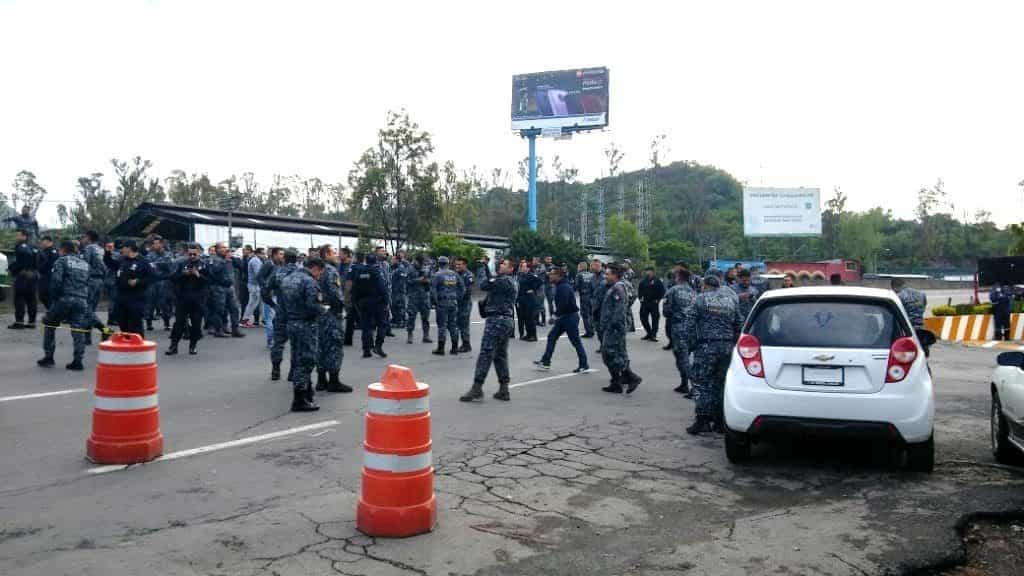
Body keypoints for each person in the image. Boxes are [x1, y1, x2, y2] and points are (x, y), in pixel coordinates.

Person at [684, 274, 744, 435]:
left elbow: (689, 324)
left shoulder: (700, 299)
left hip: (706, 346)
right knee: (721, 384)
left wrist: (691, 344)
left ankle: (703, 419)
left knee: (702, 383)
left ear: (704, 285)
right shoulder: (731, 301)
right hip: (726, 346)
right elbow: (739, 324)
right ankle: (719, 421)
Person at [460, 257, 517, 402]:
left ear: (511, 269)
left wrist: (481, 269)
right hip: (505, 320)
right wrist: (486, 268)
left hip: (497, 321)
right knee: (500, 355)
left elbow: (484, 285)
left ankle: (477, 387)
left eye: (505, 264)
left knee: (486, 352)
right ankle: (504, 388)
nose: (501, 265)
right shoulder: (509, 281)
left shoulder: (504, 280)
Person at [38, 241, 90, 370]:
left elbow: (56, 281)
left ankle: (49, 357)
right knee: (78, 329)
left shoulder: (62, 261)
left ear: (63, 250)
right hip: (82, 300)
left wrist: (55, 298)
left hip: (65, 298)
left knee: (49, 323)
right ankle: (78, 361)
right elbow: (87, 282)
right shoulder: (85, 264)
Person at [280, 257, 324, 412]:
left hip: (291, 322)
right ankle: (299, 399)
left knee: (298, 357)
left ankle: (307, 393)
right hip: (306, 324)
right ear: (316, 268)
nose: (319, 276)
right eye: (320, 273)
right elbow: (312, 306)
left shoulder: (288, 278)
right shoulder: (309, 282)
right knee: (306, 361)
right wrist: (323, 309)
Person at [534, 267, 589, 373]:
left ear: (558, 276)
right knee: (552, 336)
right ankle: (546, 362)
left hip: (570, 317)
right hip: (564, 317)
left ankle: (584, 364)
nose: (549, 276)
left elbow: (563, 303)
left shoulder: (563, 287)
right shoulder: (560, 285)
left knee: (575, 341)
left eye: (551, 274)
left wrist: (554, 316)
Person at [599, 264, 642, 394]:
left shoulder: (618, 287)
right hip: (611, 326)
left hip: (615, 327)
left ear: (615, 275)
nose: (605, 276)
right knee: (613, 354)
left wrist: (614, 325)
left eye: (608, 274)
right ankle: (616, 382)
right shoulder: (615, 286)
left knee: (610, 353)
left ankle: (631, 377)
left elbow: (619, 309)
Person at [314, 244, 351, 393]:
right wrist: (342, 308)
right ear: (327, 254)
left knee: (321, 347)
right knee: (334, 346)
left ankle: (321, 380)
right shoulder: (330, 270)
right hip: (331, 314)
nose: (336, 255)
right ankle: (334, 381)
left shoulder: (316, 269)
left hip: (319, 312)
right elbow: (335, 294)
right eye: (334, 252)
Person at [166, 243, 208, 356]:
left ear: (199, 253)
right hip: (183, 298)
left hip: (198, 299)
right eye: (190, 254)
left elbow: (209, 281)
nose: (192, 256)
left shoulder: (204, 265)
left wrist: (198, 275)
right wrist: (183, 274)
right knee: (179, 322)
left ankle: (193, 346)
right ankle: (173, 346)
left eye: (194, 254)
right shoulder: (181, 264)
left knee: (196, 323)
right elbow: (172, 278)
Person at [664, 267, 699, 396]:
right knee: (686, 356)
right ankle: (684, 384)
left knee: (682, 358)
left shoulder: (673, 290)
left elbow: (666, 311)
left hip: (679, 328)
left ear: (678, 276)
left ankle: (694, 386)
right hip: (692, 328)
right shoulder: (694, 292)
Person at [266, 249, 298, 381]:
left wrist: (273, 305)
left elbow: (265, 290)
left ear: (284, 258)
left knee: (278, 343)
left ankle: (275, 370)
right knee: (296, 344)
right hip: (296, 314)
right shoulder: (300, 273)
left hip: (281, 311)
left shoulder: (277, 272)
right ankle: (292, 372)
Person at [113, 240, 153, 337]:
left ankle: (138, 348)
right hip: (121, 296)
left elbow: (151, 277)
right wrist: (107, 253)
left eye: (123, 247)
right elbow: (110, 264)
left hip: (136, 297)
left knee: (135, 324)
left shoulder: (143, 261)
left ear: (129, 248)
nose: (122, 249)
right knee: (121, 320)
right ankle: (127, 343)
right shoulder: (121, 259)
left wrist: (138, 281)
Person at [352, 253, 388, 358]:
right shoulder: (376, 272)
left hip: (363, 303)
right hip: (377, 303)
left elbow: (355, 288)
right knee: (382, 325)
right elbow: (382, 288)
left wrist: (356, 301)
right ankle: (378, 346)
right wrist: (386, 301)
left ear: (366, 261)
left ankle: (366, 350)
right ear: (375, 261)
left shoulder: (359, 272)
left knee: (366, 326)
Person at [207, 242, 245, 338]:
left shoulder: (229, 259)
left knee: (235, 309)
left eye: (226, 247)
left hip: (229, 287)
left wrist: (232, 257)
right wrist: (225, 261)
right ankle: (218, 330)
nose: (226, 249)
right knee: (219, 310)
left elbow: (241, 266)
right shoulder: (214, 259)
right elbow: (213, 272)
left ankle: (235, 330)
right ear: (217, 249)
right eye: (223, 247)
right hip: (218, 287)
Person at [78, 230, 110, 344]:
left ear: (88, 237)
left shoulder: (88, 249)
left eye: (83, 237)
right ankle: (87, 337)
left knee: (87, 309)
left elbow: (84, 265)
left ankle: (105, 330)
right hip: (99, 280)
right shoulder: (100, 249)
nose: (82, 239)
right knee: (90, 309)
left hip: (90, 280)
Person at [431, 255, 463, 355]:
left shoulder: (437, 275)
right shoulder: (454, 274)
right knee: (453, 325)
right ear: (448, 264)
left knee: (442, 325)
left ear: (439, 264)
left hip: (442, 303)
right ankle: (454, 348)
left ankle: (441, 349)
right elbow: (462, 288)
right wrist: (457, 298)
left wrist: (434, 302)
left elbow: (433, 291)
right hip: (453, 303)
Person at [8, 229, 39, 329]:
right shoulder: (33, 247)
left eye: (18, 235)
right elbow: (38, 259)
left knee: (19, 298)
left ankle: (19, 322)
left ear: (24, 236)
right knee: (31, 299)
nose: (17, 237)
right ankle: (31, 322)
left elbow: (20, 261)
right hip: (33, 275)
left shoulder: (20, 247)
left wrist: (12, 268)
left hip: (23, 275)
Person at [144, 236, 174, 331]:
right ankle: (149, 322)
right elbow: (147, 264)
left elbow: (169, 265)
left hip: (164, 281)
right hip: (152, 281)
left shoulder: (168, 254)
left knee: (164, 302)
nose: (155, 245)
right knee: (149, 302)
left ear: (162, 244)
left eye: (157, 243)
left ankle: (167, 322)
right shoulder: (149, 254)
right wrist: (158, 264)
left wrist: (156, 264)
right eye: (154, 243)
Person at [255, 247, 280, 348]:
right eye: (280, 254)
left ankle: (276, 339)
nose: (282, 256)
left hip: (278, 295)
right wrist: (267, 288)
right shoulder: (268, 264)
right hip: (269, 295)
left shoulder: (279, 265)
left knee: (276, 317)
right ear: (274, 255)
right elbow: (259, 277)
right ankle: (271, 341)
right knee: (270, 318)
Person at [405, 255, 433, 344]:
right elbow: (407, 281)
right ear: (415, 261)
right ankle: (410, 335)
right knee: (411, 316)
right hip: (414, 296)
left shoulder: (426, 268)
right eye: (419, 263)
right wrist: (418, 280)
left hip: (424, 296)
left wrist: (428, 281)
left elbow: (432, 279)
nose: (421, 264)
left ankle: (426, 335)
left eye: (422, 263)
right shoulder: (410, 269)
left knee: (425, 317)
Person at [638, 267, 666, 342]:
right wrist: (640, 298)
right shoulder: (643, 281)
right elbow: (640, 290)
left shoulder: (658, 281)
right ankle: (649, 332)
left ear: (653, 272)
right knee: (643, 318)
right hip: (645, 302)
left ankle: (653, 335)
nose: (647, 273)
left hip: (654, 302)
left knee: (655, 319)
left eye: (649, 271)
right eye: (646, 271)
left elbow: (662, 291)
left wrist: (658, 300)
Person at [454, 257, 475, 353]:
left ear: (465, 265)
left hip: (465, 303)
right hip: (457, 303)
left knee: (464, 324)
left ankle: (466, 345)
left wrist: (457, 298)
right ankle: (462, 344)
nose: (457, 266)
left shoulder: (468, 275)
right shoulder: (456, 274)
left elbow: (467, 291)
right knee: (457, 324)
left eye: (459, 264)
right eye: (456, 264)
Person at [515, 260, 540, 342]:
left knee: (530, 318)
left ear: (528, 268)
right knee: (525, 318)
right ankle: (528, 334)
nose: (522, 268)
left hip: (529, 299)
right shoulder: (522, 275)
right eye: (522, 266)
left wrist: (533, 289)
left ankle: (534, 335)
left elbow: (539, 281)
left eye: (524, 266)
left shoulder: (531, 275)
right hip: (522, 299)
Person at [241, 247, 265, 327]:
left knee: (261, 304)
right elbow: (258, 274)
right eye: (262, 253)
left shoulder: (257, 260)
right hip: (254, 285)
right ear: (258, 253)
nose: (264, 255)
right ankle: (244, 321)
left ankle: (264, 320)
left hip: (256, 285)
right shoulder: (255, 261)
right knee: (252, 304)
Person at [36, 235, 58, 311]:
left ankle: (53, 313)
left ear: (49, 242)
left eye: (43, 241)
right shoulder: (43, 251)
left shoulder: (53, 251)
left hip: (50, 276)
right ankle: (52, 311)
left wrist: (41, 267)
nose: (42, 243)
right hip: (43, 276)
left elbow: (50, 263)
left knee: (48, 295)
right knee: (42, 295)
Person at [574, 262, 595, 338]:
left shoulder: (579, 275)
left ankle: (589, 332)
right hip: (592, 296)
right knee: (591, 313)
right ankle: (592, 328)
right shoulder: (592, 274)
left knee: (585, 314)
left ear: (580, 267)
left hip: (584, 296)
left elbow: (576, 286)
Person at [102, 241, 120, 325]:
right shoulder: (118, 255)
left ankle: (112, 318)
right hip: (113, 280)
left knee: (112, 300)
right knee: (114, 300)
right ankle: (112, 318)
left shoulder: (111, 253)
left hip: (107, 279)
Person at [588, 260, 606, 344]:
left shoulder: (606, 276)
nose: (590, 267)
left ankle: (606, 345)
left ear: (598, 266)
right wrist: (591, 302)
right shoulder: (593, 277)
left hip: (604, 306)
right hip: (595, 306)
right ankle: (602, 344)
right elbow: (590, 291)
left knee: (605, 328)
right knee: (598, 327)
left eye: (592, 265)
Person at [390, 253, 409, 331]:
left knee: (399, 306)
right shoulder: (394, 268)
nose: (391, 260)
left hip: (399, 291)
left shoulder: (401, 268)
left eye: (393, 259)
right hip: (394, 290)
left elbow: (402, 281)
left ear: (397, 260)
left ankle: (401, 321)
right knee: (394, 306)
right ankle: (396, 319)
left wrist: (398, 291)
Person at [621, 259, 637, 332]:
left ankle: (630, 326)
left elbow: (627, 281)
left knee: (627, 310)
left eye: (626, 263)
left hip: (630, 292)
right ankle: (631, 326)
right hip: (627, 291)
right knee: (628, 310)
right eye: (624, 263)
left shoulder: (630, 272)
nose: (624, 264)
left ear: (629, 264)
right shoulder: (624, 271)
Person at [542, 255, 557, 324]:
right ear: (545, 259)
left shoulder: (553, 266)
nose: (549, 261)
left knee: (550, 303)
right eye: (548, 259)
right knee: (541, 303)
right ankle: (543, 319)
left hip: (550, 285)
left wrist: (548, 273)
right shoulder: (542, 266)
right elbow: (544, 273)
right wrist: (548, 273)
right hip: (542, 285)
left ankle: (552, 318)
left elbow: (552, 274)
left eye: (550, 259)